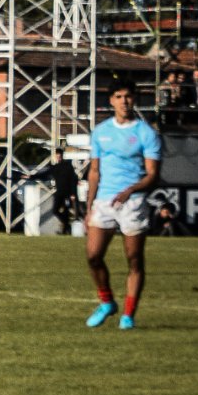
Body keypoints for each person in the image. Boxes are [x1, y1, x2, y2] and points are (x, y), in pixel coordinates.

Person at [84, 83, 163, 330]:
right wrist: (89, 206)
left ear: (135, 99)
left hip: (133, 202)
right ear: (111, 101)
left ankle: (128, 315)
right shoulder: (100, 132)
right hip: (105, 200)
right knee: (93, 256)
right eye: (118, 96)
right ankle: (107, 302)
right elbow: (94, 172)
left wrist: (131, 190)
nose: (124, 101)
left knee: (134, 259)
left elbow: (152, 174)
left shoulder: (146, 133)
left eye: (128, 96)